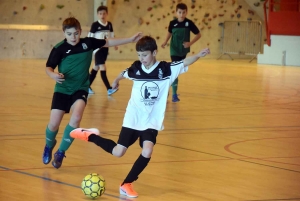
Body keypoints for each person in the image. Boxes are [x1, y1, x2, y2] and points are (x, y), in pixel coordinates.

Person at [70, 36, 210, 197]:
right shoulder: (136, 68)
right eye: (139, 55)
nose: (141, 59)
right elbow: (124, 73)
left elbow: (185, 62)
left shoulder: (166, 69)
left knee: (148, 150)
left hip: (151, 121)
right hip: (133, 117)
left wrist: (198, 55)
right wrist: (116, 80)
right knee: (118, 152)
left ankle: (126, 184)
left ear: (154, 52)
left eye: (144, 55)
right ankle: (90, 136)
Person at [42, 16, 142, 169]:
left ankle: (61, 152)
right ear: (64, 33)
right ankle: (49, 145)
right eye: (69, 34)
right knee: (54, 124)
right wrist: (54, 75)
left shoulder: (88, 43)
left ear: (81, 31)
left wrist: (130, 39)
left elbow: (108, 42)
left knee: (76, 118)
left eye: (76, 33)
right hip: (62, 89)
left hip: (80, 89)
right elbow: (49, 67)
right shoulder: (59, 48)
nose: (73, 37)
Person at [161, 3, 201, 102]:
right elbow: (169, 33)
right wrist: (165, 41)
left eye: (184, 12)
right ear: (176, 12)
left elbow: (198, 34)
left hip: (183, 50)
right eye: (180, 12)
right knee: (175, 70)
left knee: (177, 71)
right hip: (174, 49)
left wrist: (190, 43)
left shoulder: (189, 23)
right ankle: (173, 95)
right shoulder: (172, 23)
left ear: (186, 12)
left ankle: (170, 92)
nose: (182, 14)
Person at [88, 5, 118, 95]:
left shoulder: (109, 25)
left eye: (104, 13)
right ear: (97, 14)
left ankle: (86, 87)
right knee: (102, 67)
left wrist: (115, 44)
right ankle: (109, 89)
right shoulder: (95, 25)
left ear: (107, 14)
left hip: (105, 49)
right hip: (98, 49)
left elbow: (112, 36)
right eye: (100, 14)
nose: (102, 15)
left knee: (95, 67)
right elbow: (90, 36)